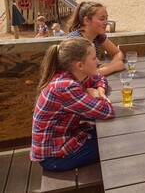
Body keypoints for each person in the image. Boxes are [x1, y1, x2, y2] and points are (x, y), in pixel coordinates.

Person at [30, 38, 114, 171]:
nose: (98, 61)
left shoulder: (74, 74)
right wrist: (96, 95)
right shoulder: (66, 86)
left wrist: (100, 90)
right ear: (80, 65)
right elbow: (106, 111)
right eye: (93, 58)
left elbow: (99, 78)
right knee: (113, 144)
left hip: (67, 138)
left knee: (111, 134)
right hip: (54, 157)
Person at [67, 2, 124, 76]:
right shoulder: (75, 41)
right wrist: (112, 67)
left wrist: (111, 65)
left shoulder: (98, 36)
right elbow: (81, 74)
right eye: (102, 19)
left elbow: (117, 53)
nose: (106, 22)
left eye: (106, 18)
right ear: (87, 20)